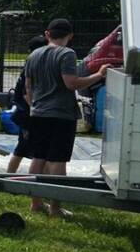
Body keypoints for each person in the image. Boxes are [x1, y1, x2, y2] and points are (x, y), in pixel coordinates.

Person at [23, 18, 109, 219]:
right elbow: (71, 83)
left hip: (38, 113)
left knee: (38, 158)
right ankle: (55, 207)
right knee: (57, 161)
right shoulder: (67, 53)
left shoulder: (34, 54)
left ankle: (35, 203)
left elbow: (28, 86)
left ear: (47, 34)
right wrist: (98, 74)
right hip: (61, 114)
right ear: (70, 36)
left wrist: (35, 106)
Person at [5, 36, 48, 176]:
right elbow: (26, 94)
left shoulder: (30, 64)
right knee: (25, 149)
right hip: (28, 114)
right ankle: (10, 176)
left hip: (27, 112)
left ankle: (10, 175)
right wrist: (36, 112)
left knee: (30, 149)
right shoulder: (32, 67)